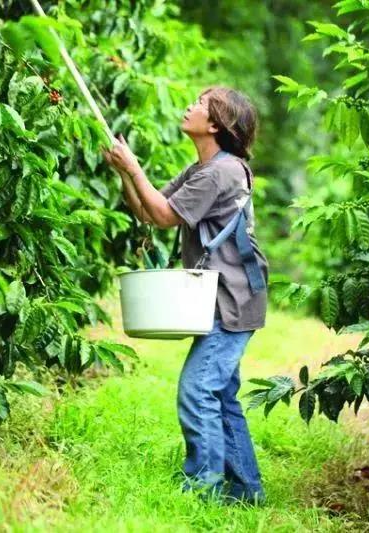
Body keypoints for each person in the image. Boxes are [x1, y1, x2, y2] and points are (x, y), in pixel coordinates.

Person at [101, 86, 269, 504]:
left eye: (200, 104)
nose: (190, 107)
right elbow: (148, 211)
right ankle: (246, 492)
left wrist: (134, 166)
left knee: (198, 391)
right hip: (221, 297)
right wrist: (125, 173)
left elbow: (161, 212)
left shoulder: (222, 173)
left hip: (231, 299)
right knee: (220, 395)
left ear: (215, 124)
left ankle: (203, 489)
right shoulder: (203, 169)